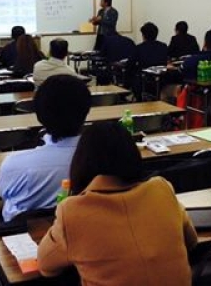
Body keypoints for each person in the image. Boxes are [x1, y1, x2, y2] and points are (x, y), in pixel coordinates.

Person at [38, 121, 197, 286]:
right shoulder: (161, 188)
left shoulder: (71, 211)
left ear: (81, 162)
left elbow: (46, 266)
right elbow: (191, 241)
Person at [0, 75, 92, 222]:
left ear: (39, 115)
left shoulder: (14, 165)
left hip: (27, 233)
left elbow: (4, 194)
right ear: (86, 111)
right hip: (83, 228)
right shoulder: (102, 159)